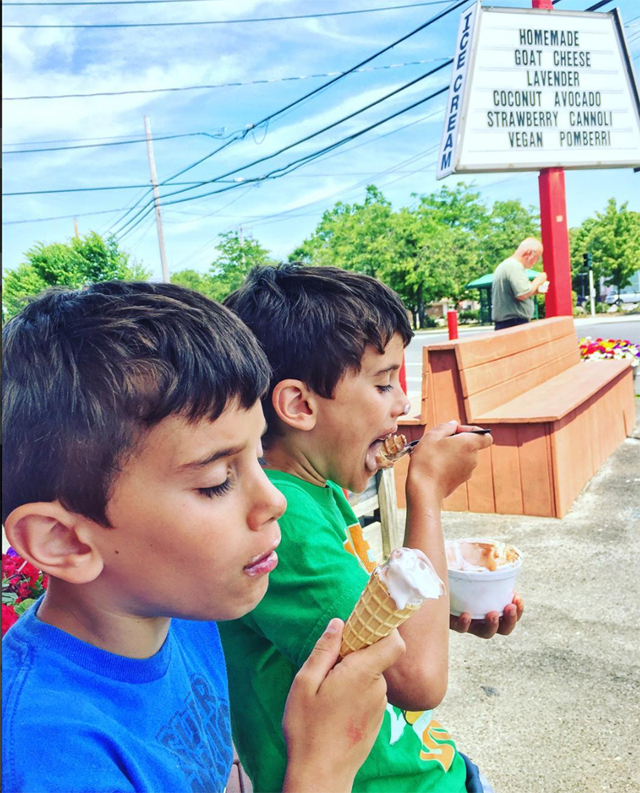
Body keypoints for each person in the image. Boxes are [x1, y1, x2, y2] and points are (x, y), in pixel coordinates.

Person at [1, 281, 406, 793]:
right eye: (216, 482)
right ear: (64, 541)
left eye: (257, 456)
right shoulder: (46, 754)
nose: (275, 501)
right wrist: (321, 770)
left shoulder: (185, 615)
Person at [220, 264, 523, 793]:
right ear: (299, 404)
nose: (402, 404)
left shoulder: (323, 492)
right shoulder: (282, 516)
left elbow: (373, 624)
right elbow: (419, 681)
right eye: (383, 383)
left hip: (429, 767)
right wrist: (425, 491)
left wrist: (441, 609)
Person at [491, 237, 547, 330]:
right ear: (529, 253)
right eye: (537, 257)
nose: (536, 262)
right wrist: (538, 280)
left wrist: (535, 291)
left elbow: (516, 293)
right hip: (514, 323)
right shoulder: (514, 266)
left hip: (507, 323)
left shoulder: (506, 265)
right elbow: (522, 294)